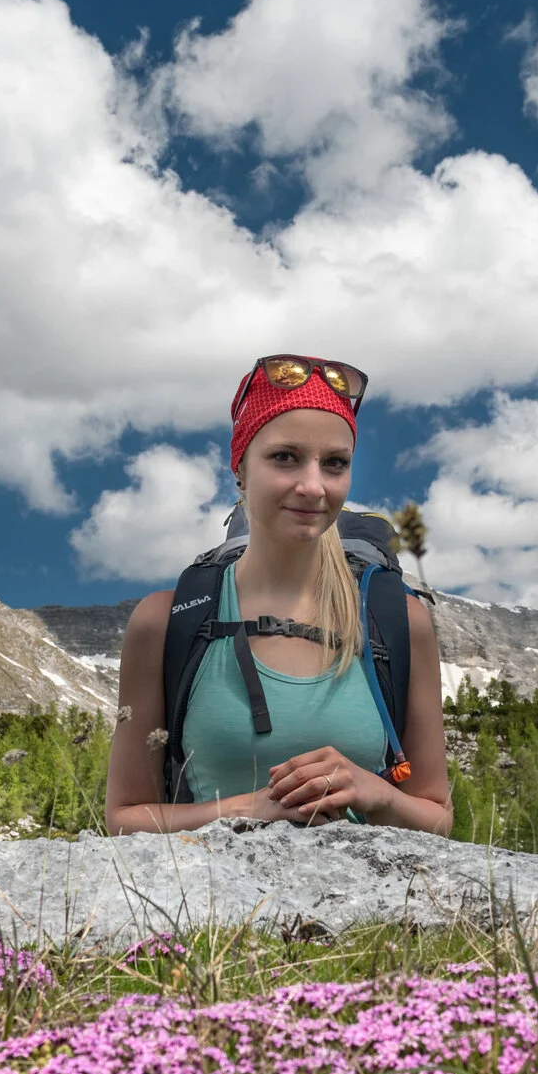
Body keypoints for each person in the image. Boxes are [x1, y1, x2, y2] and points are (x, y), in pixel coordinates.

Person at [105, 354, 453, 836]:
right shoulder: (165, 623)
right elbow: (124, 818)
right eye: (285, 457)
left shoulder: (399, 621)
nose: (313, 486)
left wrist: (376, 793)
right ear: (240, 470)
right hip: (214, 912)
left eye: (334, 464)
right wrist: (250, 808)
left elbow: (437, 817)